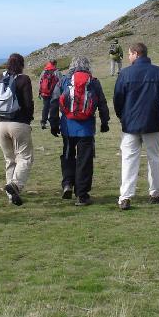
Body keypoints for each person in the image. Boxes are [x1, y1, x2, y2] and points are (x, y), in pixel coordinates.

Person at [112, 42, 159, 210]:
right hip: (153, 123)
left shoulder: (125, 74)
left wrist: (122, 117)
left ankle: (125, 197)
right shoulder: (158, 73)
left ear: (136, 54)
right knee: (153, 159)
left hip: (130, 124)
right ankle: (155, 193)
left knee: (129, 160)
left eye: (130, 54)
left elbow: (118, 99)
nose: (129, 57)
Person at [48, 56, 110, 206]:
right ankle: (82, 196)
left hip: (68, 127)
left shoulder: (63, 81)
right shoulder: (94, 82)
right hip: (86, 129)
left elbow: (54, 102)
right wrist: (104, 122)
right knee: (84, 161)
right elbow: (102, 103)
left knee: (68, 155)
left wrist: (54, 123)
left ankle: (68, 183)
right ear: (88, 66)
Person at [0, 53, 35, 206]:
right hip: (19, 124)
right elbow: (28, 102)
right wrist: (29, 118)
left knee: (9, 160)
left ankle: (11, 196)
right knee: (25, 157)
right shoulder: (24, 79)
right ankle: (16, 185)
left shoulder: (2, 78)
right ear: (22, 64)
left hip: (1, 124)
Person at [37, 59, 62, 129]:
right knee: (54, 108)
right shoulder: (56, 71)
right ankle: (53, 123)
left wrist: (40, 92)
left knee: (45, 107)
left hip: (44, 93)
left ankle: (43, 122)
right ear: (55, 64)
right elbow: (60, 82)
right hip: (54, 93)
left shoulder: (44, 71)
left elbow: (40, 82)